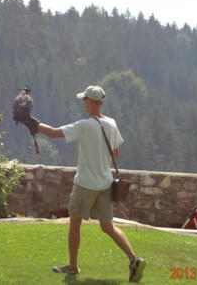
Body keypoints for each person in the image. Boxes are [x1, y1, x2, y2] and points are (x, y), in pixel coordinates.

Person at [26, 85, 146, 282]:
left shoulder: (84, 125)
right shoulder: (112, 123)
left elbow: (55, 133)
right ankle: (134, 259)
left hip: (85, 184)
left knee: (75, 222)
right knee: (108, 227)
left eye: (85, 99)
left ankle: (73, 267)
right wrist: (101, 164)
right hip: (105, 183)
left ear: (91, 102)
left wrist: (32, 123)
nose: (83, 102)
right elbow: (115, 152)